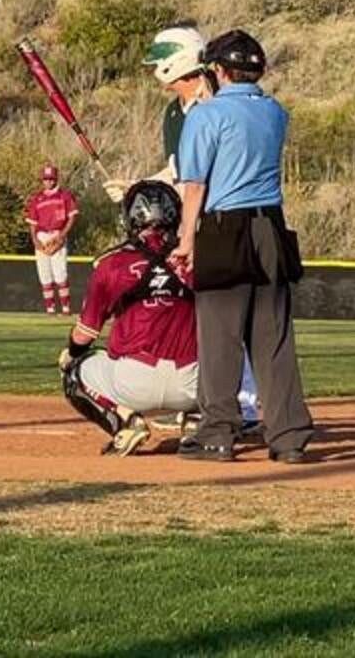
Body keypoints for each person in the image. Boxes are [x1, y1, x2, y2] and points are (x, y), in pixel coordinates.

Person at [106, 25, 264, 439]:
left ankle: (246, 406)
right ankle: (212, 404)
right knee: (202, 318)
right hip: (189, 223)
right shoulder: (176, 112)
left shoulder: (215, 104)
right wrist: (138, 186)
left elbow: (207, 175)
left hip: (221, 221)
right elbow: (180, 170)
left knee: (231, 319)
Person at [170, 30, 315, 464]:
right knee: (273, 338)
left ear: (216, 70)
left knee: (220, 337)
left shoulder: (206, 115)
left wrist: (185, 239)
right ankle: (288, 436)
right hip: (270, 226)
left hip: (223, 227)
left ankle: (217, 431)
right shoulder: (275, 111)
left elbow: (194, 185)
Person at [57, 180, 199, 457]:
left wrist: (70, 353)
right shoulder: (199, 259)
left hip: (134, 382)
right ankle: (198, 421)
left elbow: (85, 334)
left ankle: (125, 423)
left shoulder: (111, 264)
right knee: (229, 349)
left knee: (75, 369)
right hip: (192, 384)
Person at [23, 164, 79, 315]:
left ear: (56, 179)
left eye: (50, 179)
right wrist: (34, 239)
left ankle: (66, 308)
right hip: (42, 235)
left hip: (57, 233)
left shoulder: (65, 196)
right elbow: (33, 223)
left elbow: (72, 217)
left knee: (60, 273)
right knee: (44, 274)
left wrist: (63, 234)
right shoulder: (36, 198)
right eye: (45, 179)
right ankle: (50, 308)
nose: (48, 182)